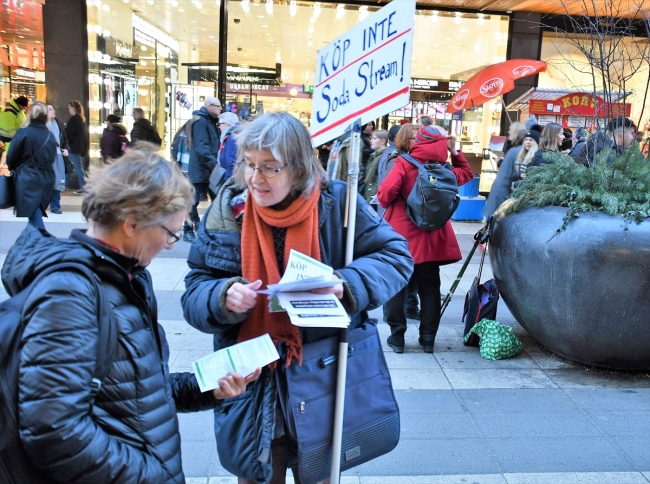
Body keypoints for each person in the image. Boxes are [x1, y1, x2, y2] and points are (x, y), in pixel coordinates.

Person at [181, 111, 413, 484]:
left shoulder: (337, 203)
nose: (255, 178)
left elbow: (396, 256)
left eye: (270, 167)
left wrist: (346, 284)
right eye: (249, 164)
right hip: (255, 380)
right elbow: (196, 286)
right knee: (258, 475)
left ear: (300, 167)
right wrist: (221, 296)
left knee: (319, 472)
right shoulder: (231, 207)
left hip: (322, 370)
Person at [1, 148, 259, 483]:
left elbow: (134, 389)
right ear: (132, 224)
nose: (170, 245)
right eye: (170, 232)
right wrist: (152, 476)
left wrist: (206, 387)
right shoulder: (69, 293)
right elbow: (54, 431)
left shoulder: (127, 277)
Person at [377, 125, 474, 353]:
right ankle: (428, 338)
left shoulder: (403, 163)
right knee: (430, 289)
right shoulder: (444, 169)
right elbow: (467, 174)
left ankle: (397, 337)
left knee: (396, 286)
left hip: (401, 236)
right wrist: (455, 151)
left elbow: (384, 196)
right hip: (432, 236)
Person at [5, 102, 57, 229]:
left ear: (30, 116)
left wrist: (13, 168)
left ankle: (42, 240)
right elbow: (52, 156)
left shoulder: (24, 132)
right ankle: (33, 241)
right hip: (47, 177)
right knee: (35, 211)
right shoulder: (50, 135)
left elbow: (11, 155)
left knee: (34, 212)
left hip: (28, 176)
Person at [184, 96, 222, 243]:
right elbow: (202, 147)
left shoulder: (211, 121)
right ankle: (188, 229)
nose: (220, 109)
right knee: (193, 201)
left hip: (207, 168)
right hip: (201, 168)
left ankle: (207, 228)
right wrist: (214, 164)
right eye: (218, 106)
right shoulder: (201, 121)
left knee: (217, 200)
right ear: (209, 107)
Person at [483, 128, 526, 219]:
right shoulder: (519, 152)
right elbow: (516, 172)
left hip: (499, 188)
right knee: (497, 220)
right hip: (505, 189)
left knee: (491, 220)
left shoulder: (514, 150)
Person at [45, 103, 70, 215]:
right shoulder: (41, 125)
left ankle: (55, 206)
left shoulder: (58, 124)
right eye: (50, 109)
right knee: (46, 181)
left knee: (58, 180)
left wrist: (65, 148)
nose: (53, 111)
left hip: (58, 156)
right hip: (46, 156)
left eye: (53, 109)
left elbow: (65, 139)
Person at [65, 100, 88, 194]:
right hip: (78, 146)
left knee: (74, 166)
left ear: (73, 108)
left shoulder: (74, 119)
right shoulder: (81, 119)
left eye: (69, 108)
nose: (68, 110)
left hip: (72, 146)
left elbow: (68, 133)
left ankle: (83, 187)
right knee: (71, 166)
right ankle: (65, 185)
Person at [361, 129, 389, 207]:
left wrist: (371, 199)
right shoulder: (373, 155)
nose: (371, 141)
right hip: (369, 195)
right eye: (372, 138)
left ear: (383, 141)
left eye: (374, 138)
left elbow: (379, 179)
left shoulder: (385, 157)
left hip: (374, 198)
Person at [217, 111, 239, 179]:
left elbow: (231, 163)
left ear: (227, 124)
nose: (219, 127)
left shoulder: (231, 138)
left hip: (229, 178)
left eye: (220, 124)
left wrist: (227, 184)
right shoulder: (233, 135)